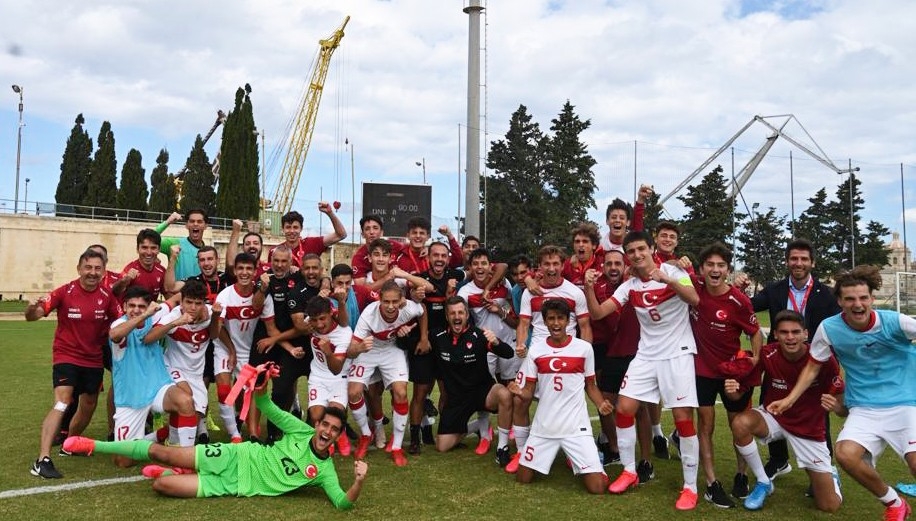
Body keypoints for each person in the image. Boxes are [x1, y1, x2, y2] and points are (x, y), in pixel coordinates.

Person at [767, 265, 916, 521]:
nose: (857, 304)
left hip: (905, 404)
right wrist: (789, 400)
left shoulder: (896, 322)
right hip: (863, 408)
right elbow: (813, 367)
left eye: (863, 298)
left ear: (871, 298)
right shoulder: (830, 328)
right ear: (840, 301)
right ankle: (894, 502)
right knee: (846, 455)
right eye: (850, 299)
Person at [62, 395, 368, 509]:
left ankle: (179, 474)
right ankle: (93, 446)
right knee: (162, 453)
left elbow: (342, 504)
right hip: (236, 456)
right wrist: (261, 382)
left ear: (339, 436)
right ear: (317, 425)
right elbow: (264, 405)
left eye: (333, 430)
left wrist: (357, 483)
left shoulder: (325, 473)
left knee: (162, 485)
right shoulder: (300, 430)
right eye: (324, 425)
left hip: (235, 485)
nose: (326, 432)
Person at [587, 231, 701, 510]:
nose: (638, 255)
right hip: (646, 355)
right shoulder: (629, 286)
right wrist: (588, 288)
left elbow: (694, 299)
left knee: (683, 418)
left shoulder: (673, 269)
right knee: (624, 408)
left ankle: (690, 487)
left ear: (651, 248)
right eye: (632, 252)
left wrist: (670, 280)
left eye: (642, 249)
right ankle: (629, 471)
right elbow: (600, 313)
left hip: (678, 353)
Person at [724, 310, 844, 513]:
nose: (790, 337)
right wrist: (732, 391)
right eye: (784, 332)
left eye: (795, 332)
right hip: (775, 417)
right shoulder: (768, 354)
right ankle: (763, 482)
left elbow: (842, 407)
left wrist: (836, 406)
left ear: (806, 334)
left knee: (828, 505)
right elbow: (740, 394)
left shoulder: (824, 360)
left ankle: (830, 474)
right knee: (740, 423)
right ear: (776, 335)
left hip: (809, 428)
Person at [741, 238, 841, 483]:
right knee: (770, 403)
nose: (798, 263)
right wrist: (738, 291)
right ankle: (778, 459)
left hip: (812, 362)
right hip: (780, 360)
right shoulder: (775, 289)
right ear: (787, 261)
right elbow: (749, 307)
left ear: (812, 263)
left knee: (818, 411)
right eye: (794, 258)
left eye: (804, 259)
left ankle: (825, 468)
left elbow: (838, 326)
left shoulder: (826, 294)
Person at [26, 249, 122, 479]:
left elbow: (120, 321)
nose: (92, 273)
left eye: (97, 268)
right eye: (88, 267)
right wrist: (31, 309)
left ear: (103, 271)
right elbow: (36, 314)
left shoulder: (107, 296)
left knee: (88, 406)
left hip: (93, 360)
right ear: (79, 269)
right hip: (67, 356)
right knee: (62, 403)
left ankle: (70, 443)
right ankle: (42, 460)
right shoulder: (65, 291)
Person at [508, 299, 614, 494]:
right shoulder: (536, 351)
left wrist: (600, 404)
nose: (556, 323)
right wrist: (519, 392)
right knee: (523, 479)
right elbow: (529, 392)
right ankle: (575, 459)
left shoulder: (584, 349)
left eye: (560, 319)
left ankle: (593, 463)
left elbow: (590, 385)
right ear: (544, 321)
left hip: (575, 427)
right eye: (551, 319)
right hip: (544, 427)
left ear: (568, 321)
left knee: (598, 488)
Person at [687, 243, 763, 507]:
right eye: (710, 265)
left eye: (721, 265)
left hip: (732, 373)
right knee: (705, 427)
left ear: (728, 270)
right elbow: (672, 272)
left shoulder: (738, 301)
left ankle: (741, 475)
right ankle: (711, 483)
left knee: (738, 425)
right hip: (702, 372)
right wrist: (676, 264)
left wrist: (753, 361)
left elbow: (755, 332)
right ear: (701, 269)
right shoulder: (694, 288)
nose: (715, 269)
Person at [507, 244, 592, 474]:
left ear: (563, 265)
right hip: (536, 355)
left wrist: (585, 357)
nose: (552, 268)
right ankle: (522, 453)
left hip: (567, 355)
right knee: (519, 400)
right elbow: (524, 323)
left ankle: (574, 452)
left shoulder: (575, 292)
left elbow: (584, 326)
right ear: (540, 267)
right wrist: (522, 344)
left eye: (556, 263)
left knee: (570, 404)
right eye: (547, 264)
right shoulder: (529, 292)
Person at [584, 249, 653, 478]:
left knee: (640, 408)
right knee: (605, 403)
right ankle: (614, 448)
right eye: (609, 263)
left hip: (637, 353)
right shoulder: (600, 287)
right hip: (611, 353)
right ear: (603, 267)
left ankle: (645, 461)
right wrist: (589, 288)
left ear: (625, 266)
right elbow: (596, 314)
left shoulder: (636, 284)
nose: (613, 267)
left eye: (618, 263)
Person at [108, 286, 196, 465]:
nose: (136, 310)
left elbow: (174, 299)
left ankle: (186, 458)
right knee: (124, 461)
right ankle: (158, 435)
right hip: (131, 398)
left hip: (158, 386)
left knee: (185, 401)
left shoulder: (157, 314)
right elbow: (115, 335)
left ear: (149, 305)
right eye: (131, 306)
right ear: (124, 307)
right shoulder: (119, 324)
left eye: (141, 306)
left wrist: (190, 293)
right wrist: (145, 315)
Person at [347, 280, 428, 466]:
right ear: (379, 300)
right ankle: (366, 435)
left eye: (394, 302)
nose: (390, 306)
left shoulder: (409, 308)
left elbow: (422, 311)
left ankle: (397, 447)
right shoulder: (369, 314)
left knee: (400, 392)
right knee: (353, 392)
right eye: (386, 302)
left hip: (392, 351)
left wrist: (423, 336)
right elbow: (351, 349)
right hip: (368, 349)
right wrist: (359, 347)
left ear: (401, 300)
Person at [432, 296, 516, 466]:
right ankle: (477, 426)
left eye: (461, 312)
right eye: (453, 313)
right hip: (456, 399)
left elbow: (508, 353)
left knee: (504, 394)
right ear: (447, 317)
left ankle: (502, 448)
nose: (457, 317)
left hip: (482, 392)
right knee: (442, 446)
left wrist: (496, 341)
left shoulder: (479, 335)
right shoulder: (437, 336)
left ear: (467, 315)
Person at [457, 247, 519, 456]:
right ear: (470, 268)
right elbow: (462, 320)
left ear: (489, 265)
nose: (480, 267)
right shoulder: (465, 292)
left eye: (484, 263)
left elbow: (514, 316)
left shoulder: (504, 284)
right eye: (476, 264)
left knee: (510, 387)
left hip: (508, 342)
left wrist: (499, 310)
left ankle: (509, 428)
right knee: (484, 391)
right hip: (486, 347)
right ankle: (485, 435)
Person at [144, 280, 220, 446]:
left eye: (198, 303)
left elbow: (214, 335)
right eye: (188, 302)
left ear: (204, 303)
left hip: (196, 374)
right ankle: (185, 454)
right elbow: (148, 338)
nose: (193, 307)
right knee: (187, 399)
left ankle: (153, 440)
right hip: (173, 367)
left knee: (194, 416)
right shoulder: (174, 316)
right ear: (182, 301)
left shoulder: (208, 313)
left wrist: (215, 316)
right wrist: (175, 323)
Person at [406, 241, 465, 454]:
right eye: (435, 255)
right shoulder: (420, 280)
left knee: (447, 391)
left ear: (448, 258)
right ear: (428, 257)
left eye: (443, 255)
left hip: (446, 344)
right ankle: (415, 437)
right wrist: (423, 337)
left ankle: (442, 431)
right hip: (424, 342)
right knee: (421, 391)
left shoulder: (455, 277)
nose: (439, 259)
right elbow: (417, 307)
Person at [268, 204, 347, 268]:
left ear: (301, 228)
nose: (292, 231)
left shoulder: (312, 243)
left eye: (295, 227)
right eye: (288, 227)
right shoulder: (275, 251)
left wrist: (330, 213)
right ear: (283, 229)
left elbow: (341, 235)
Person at [154, 209, 209, 281]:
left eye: (199, 221)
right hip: (178, 291)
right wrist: (167, 222)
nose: (195, 224)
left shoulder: (207, 253)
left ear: (205, 226)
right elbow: (148, 239)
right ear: (186, 225)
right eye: (192, 221)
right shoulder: (175, 244)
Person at [111, 228, 166, 300]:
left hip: (152, 311)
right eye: (144, 247)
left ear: (159, 250)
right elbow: (114, 292)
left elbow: (168, 295)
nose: (149, 252)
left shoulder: (161, 270)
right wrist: (124, 281)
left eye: (153, 248)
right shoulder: (130, 270)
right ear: (137, 249)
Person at [350, 215, 406, 279]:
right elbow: (361, 286)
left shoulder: (394, 245)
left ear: (381, 232)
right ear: (362, 234)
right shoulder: (358, 258)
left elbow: (410, 249)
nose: (371, 232)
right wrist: (388, 277)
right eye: (367, 229)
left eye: (375, 228)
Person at [599, 185, 649, 253]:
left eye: (622, 218)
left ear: (628, 222)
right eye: (614, 217)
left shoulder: (634, 243)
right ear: (607, 221)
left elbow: (638, 223)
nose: (617, 220)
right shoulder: (599, 245)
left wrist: (640, 200)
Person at [562, 222, 604, 289]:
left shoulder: (603, 264)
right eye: (577, 241)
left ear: (594, 245)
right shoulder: (566, 265)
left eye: (585, 241)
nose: (580, 245)